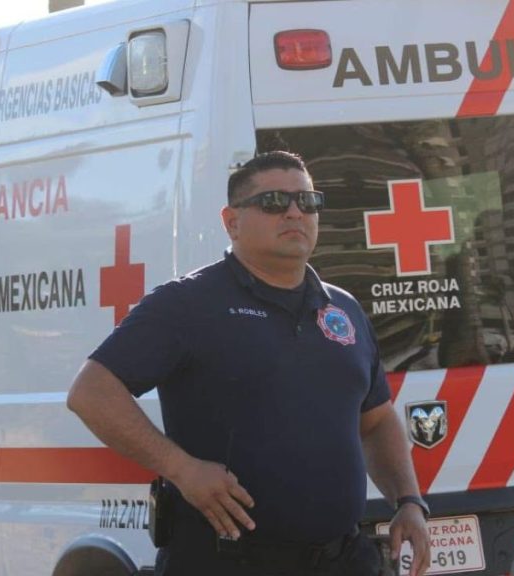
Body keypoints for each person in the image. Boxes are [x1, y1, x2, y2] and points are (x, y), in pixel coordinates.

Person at [67, 151, 431, 575]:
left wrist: (408, 501)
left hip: (343, 559)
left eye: (307, 201)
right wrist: (182, 469)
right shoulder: (189, 304)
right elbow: (91, 392)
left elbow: (377, 420)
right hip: (227, 560)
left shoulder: (343, 309)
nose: (295, 211)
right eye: (275, 201)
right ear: (232, 221)